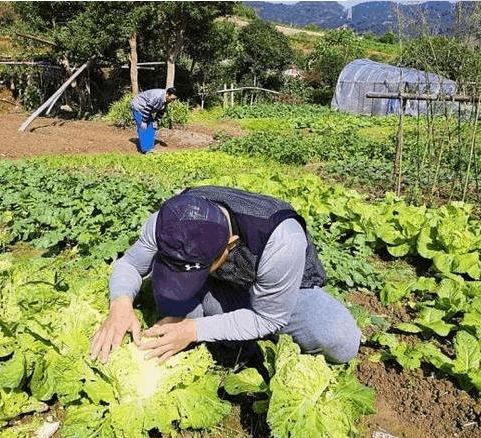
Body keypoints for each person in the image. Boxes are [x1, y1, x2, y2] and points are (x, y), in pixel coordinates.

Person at [90, 185, 361, 364]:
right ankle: (219, 326)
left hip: (278, 296)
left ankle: (221, 327)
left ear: (230, 245)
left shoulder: (281, 239)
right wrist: (120, 304)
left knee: (338, 338)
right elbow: (130, 265)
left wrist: (194, 329)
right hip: (215, 286)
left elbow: (269, 317)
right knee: (173, 331)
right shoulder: (169, 220)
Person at [130, 87, 177, 154]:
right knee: (143, 128)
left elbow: (161, 111)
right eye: (172, 99)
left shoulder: (166, 99)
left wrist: (156, 121)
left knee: (151, 128)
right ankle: (145, 150)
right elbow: (148, 107)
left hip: (146, 110)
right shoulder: (158, 96)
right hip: (138, 107)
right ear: (167, 94)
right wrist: (144, 121)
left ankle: (150, 148)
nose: (172, 101)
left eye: (174, 99)